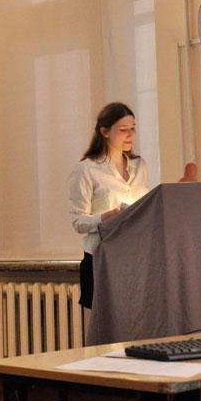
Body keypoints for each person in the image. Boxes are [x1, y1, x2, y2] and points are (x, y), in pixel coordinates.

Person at [68, 102, 150, 309]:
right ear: (105, 132)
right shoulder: (87, 169)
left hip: (134, 257)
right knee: (104, 321)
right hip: (100, 259)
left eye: (133, 128)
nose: (130, 135)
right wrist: (104, 218)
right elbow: (78, 221)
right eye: (123, 130)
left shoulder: (140, 166)